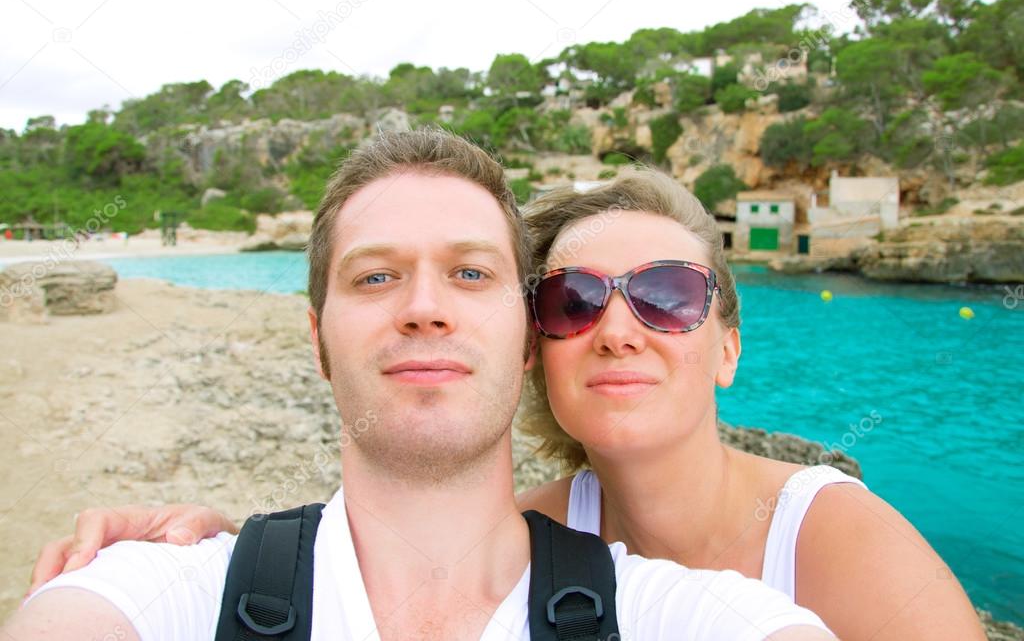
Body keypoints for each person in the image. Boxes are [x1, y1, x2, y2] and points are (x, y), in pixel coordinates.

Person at [26, 152, 987, 641]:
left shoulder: (818, 541)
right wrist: (239, 550)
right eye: (575, 300)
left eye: (667, 295)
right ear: (539, 344)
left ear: (728, 343)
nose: (619, 328)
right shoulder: (544, 524)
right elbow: (388, 559)